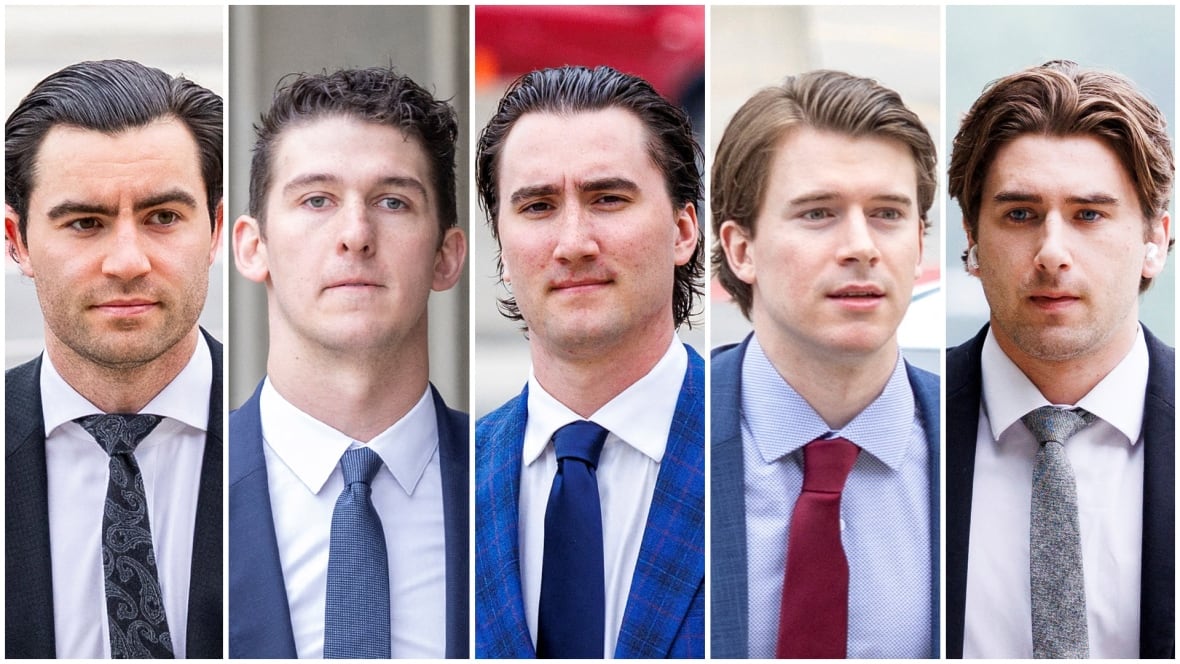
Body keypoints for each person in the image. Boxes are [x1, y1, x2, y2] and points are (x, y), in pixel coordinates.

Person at [226, 67, 468, 659]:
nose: (356, 234)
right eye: (317, 200)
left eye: (392, 201)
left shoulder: (516, 486)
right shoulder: (179, 487)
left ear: (446, 256)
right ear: (253, 248)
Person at [473, 65, 704, 659]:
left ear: (684, 231)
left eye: (608, 199)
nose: (574, 242)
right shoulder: (448, 481)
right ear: (502, 251)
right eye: (538, 206)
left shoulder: (754, 452)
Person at [946, 60, 1174, 659]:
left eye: (1089, 215)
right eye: (1020, 214)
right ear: (971, 239)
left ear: (1155, 241)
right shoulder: (908, 421)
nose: (1052, 252)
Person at [710, 70, 940, 659]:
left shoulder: (977, 440)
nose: (861, 246)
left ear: (919, 243)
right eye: (818, 213)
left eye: (887, 213)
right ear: (741, 249)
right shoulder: (669, 427)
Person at [4, 59, 224, 659]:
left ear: (214, 230)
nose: (127, 261)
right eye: (85, 222)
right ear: (18, 242)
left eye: (163, 217)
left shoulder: (283, 431)